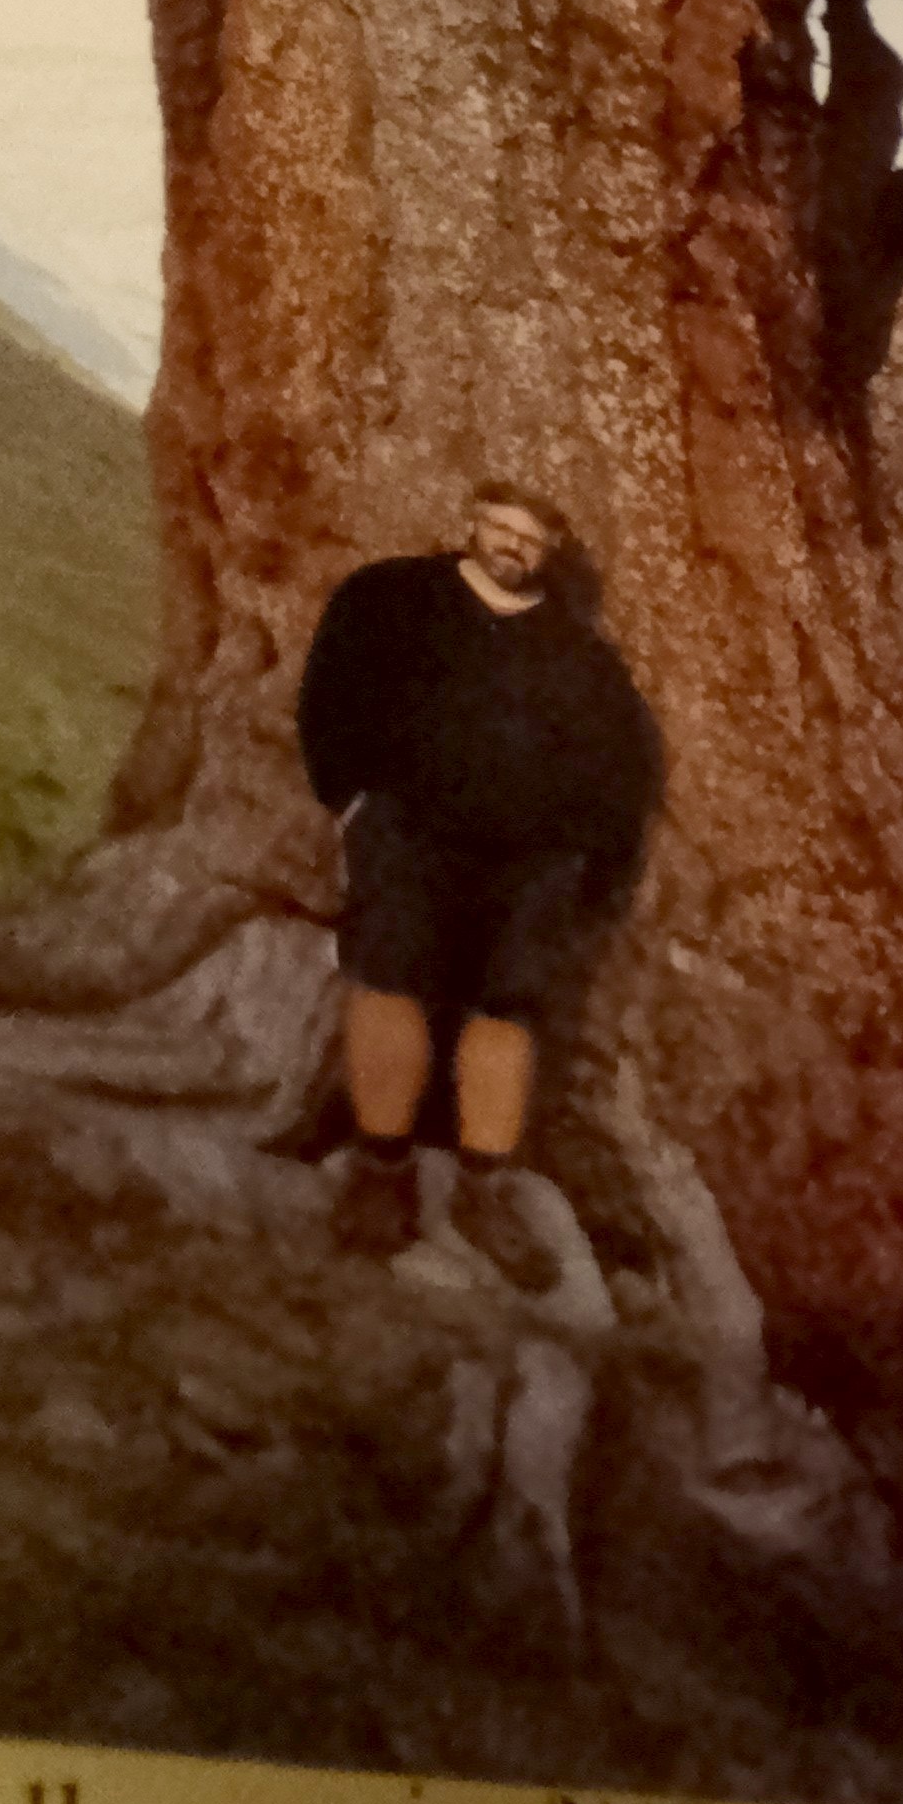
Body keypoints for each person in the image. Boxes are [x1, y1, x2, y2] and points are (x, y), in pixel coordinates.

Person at [295, 482, 660, 1290]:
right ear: (474, 522)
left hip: (531, 865)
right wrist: (348, 798)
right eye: (502, 527)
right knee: (390, 987)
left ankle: (483, 1193)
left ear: (548, 552)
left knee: (507, 1016)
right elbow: (331, 691)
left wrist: (588, 864)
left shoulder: (582, 659)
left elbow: (620, 773)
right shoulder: (393, 599)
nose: (512, 546)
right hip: (408, 832)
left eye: (531, 538)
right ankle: (381, 1173)